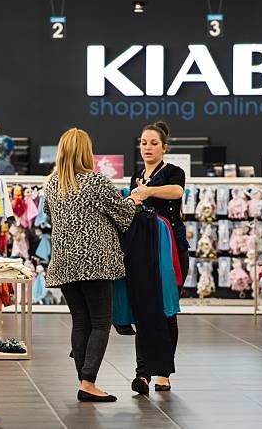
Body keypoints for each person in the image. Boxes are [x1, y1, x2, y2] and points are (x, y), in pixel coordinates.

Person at [43, 127, 141, 402]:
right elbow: (124, 215)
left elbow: (49, 214)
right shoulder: (95, 181)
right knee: (100, 322)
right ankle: (88, 383)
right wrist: (134, 199)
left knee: (80, 322)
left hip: (63, 262)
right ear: (86, 151)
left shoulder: (52, 183)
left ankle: (84, 380)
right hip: (95, 262)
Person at [130, 120, 187, 393]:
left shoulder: (173, 172)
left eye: (153, 143)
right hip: (143, 247)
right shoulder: (137, 175)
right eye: (144, 143)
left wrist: (149, 191)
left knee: (166, 310)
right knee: (143, 309)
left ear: (164, 147)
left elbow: (177, 192)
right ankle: (143, 374)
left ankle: (163, 372)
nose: (148, 147)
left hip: (172, 248)